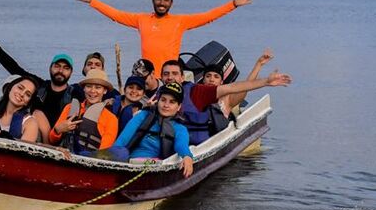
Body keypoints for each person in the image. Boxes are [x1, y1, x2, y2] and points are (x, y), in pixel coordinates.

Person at [75, 0, 254, 77]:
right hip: (148, 75)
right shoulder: (142, 19)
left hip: (171, 75)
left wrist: (233, 5)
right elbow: (116, 15)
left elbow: (208, 16)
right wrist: (93, 2)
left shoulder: (180, 21)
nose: (162, 2)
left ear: (171, 3)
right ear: (153, 0)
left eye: (166, 0)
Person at [158, 59, 292, 145]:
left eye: (174, 74)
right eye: (166, 74)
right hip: (169, 143)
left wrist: (265, 81)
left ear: (182, 77)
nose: (170, 77)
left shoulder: (199, 92)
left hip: (197, 145)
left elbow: (235, 88)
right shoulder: (157, 95)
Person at [0, 16, 74, 126]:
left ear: (71, 73)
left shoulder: (74, 93)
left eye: (66, 68)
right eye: (57, 66)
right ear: (50, 68)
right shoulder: (39, 85)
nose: (61, 70)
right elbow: (12, 67)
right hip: (33, 132)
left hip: (60, 138)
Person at [110, 82, 194, 178]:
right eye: (163, 100)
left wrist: (187, 156)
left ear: (178, 107)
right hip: (129, 163)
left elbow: (181, 145)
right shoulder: (142, 116)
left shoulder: (180, 129)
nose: (166, 105)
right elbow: (122, 140)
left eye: (172, 102)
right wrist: (111, 159)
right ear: (158, 101)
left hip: (155, 167)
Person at [48, 69, 119, 153]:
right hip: (64, 157)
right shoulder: (70, 107)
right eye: (89, 86)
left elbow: (103, 153)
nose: (92, 91)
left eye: (98, 87)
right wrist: (58, 130)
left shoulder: (111, 119)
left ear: (105, 91)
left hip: (89, 161)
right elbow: (51, 140)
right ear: (84, 89)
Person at [203, 48, 274, 118]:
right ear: (203, 80)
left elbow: (246, 87)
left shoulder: (227, 100)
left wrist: (259, 64)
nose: (211, 79)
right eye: (208, 76)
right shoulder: (195, 94)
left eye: (216, 77)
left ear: (221, 82)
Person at [0, 75, 50, 143]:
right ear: (10, 88)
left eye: (28, 94)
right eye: (20, 88)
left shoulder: (30, 123)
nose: (22, 94)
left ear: (28, 102)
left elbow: (21, 152)